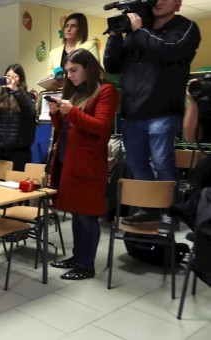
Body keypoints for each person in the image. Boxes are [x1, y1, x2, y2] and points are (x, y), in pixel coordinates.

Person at [104, 0, 201, 225]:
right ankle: (150, 209)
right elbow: (111, 65)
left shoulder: (186, 27)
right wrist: (115, 36)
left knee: (162, 162)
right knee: (137, 163)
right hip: (132, 112)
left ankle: (172, 212)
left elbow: (169, 51)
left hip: (163, 111)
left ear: (178, 4)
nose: (159, 2)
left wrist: (139, 31)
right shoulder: (137, 30)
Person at [46, 49, 119, 280]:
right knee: (76, 214)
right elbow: (67, 130)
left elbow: (101, 127)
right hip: (69, 162)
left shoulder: (106, 91)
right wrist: (57, 114)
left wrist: (72, 112)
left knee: (87, 216)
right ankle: (78, 257)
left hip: (87, 165)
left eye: (74, 70)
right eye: (67, 71)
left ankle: (87, 265)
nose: (70, 76)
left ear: (89, 67)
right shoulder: (78, 94)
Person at [0, 64, 37, 171]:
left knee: (16, 182)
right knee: (0, 183)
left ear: (20, 79)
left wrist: (15, 90)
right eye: (8, 76)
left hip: (19, 150)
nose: (11, 79)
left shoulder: (28, 96)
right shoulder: (1, 98)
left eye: (15, 76)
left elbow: (30, 112)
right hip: (1, 149)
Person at [46, 13, 99, 83]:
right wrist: (50, 77)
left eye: (74, 26)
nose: (68, 29)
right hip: (61, 90)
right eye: (66, 26)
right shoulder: (54, 52)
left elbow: (94, 70)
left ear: (81, 29)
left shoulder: (90, 45)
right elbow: (49, 73)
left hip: (83, 89)